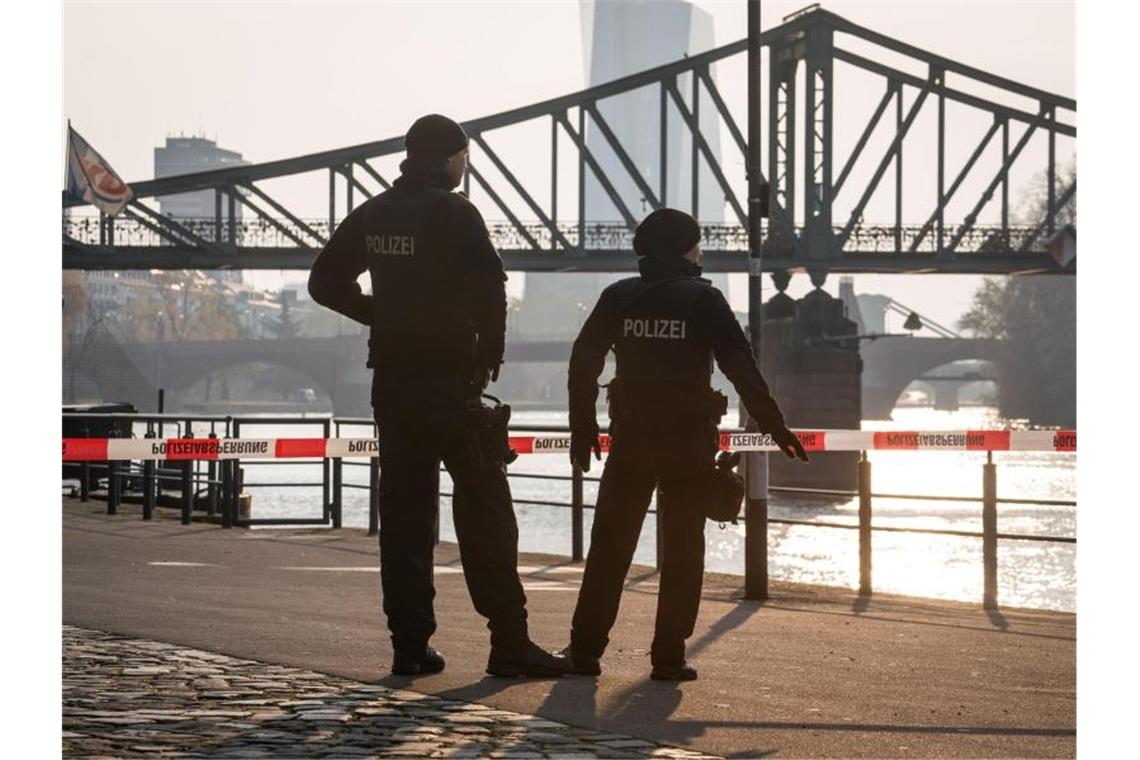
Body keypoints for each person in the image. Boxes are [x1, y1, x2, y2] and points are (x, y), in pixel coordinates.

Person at [308, 114, 568, 678]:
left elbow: (323, 283)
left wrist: (383, 315)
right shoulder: (455, 212)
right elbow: (490, 292)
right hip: (452, 386)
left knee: (404, 516)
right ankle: (509, 642)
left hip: (394, 387)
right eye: (465, 156)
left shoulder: (373, 213)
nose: (466, 165)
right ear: (452, 158)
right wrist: (486, 359)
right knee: (486, 510)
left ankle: (409, 646)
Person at [563, 208, 808, 681]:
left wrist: (582, 426)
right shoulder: (704, 301)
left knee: (610, 547)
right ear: (686, 249)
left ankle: (585, 651)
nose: (701, 252)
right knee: (682, 551)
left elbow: (583, 361)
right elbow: (742, 368)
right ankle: (668, 657)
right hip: (686, 446)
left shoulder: (619, 297)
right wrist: (776, 428)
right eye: (697, 244)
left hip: (631, 440)